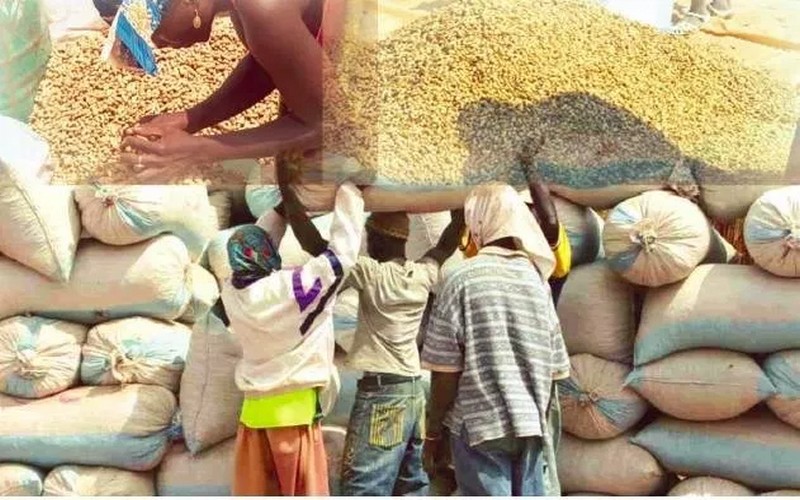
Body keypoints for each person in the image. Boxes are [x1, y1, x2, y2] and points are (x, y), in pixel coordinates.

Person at [219, 160, 364, 495]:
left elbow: (256, 242)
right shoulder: (291, 290)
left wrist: (284, 209)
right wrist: (348, 193)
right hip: (293, 415)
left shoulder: (232, 295)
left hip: (253, 416)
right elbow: (340, 258)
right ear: (267, 255)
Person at [421, 183, 570, 497]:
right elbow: (555, 368)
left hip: (478, 427)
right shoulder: (537, 281)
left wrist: (433, 434)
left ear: (477, 222)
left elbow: (445, 372)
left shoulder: (461, 278)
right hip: (530, 426)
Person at [308, 209, 463, 496]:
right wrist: (461, 213)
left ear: (380, 239)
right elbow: (444, 246)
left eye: (369, 236)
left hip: (383, 397)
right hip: (413, 393)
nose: (367, 244)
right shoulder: (422, 273)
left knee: (364, 486)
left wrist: (290, 204)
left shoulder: (371, 272)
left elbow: (319, 251)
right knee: (411, 483)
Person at [116, 0, 343, 181]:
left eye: (155, 31)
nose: (159, 45)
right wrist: (192, 118)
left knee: (301, 187)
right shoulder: (246, 7)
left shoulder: (262, 7)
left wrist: (197, 150)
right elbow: (275, 60)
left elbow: (333, 124)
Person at [459, 146, 572, 305]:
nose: (518, 220)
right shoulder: (480, 245)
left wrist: (528, 165)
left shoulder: (546, 258)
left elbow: (550, 221)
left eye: (527, 212)